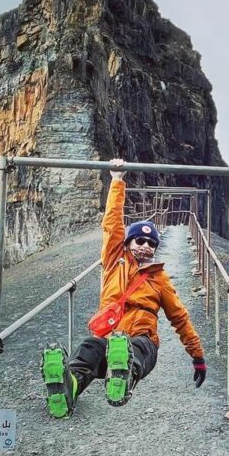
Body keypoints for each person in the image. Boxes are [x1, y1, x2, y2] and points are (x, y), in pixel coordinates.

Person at [41, 158, 207, 418]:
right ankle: (67, 386)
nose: (146, 246)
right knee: (88, 351)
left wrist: (197, 356)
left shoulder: (159, 278)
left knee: (137, 348)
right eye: (139, 240)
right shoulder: (114, 260)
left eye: (152, 243)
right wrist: (117, 180)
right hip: (108, 338)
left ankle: (123, 374)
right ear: (128, 243)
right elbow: (112, 224)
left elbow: (179, 317)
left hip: (142, 341)